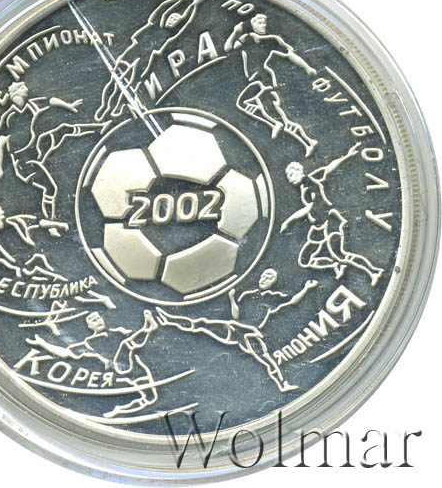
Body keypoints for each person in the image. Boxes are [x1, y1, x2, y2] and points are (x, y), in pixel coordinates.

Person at [280, 145, 384, 286]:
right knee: (305, 261)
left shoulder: (311, 183)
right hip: (318, 227)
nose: (290, 179)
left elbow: (310, 207)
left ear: (300, 171)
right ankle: (335, 266)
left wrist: (288, 221)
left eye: (292, 175)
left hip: (330, 222)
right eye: (288, 177)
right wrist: (346, 156)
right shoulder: (305, 185)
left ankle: (372, 272)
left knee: (340, 255)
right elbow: (328, 168)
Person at [27, 310, 160, 418]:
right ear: (89, 326)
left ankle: (119, 410)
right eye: (93, 320)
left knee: (150, 399)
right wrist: (43, 344)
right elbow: (66, 352)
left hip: (135, 368)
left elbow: (135, 338)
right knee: (126, 344)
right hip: (118, 368)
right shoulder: (89, 343)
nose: (98, 321)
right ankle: (148, 327)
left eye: (98, 318)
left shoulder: (117, 332)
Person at [0, 81, 95, 220]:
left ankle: (99, 128)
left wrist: (69, 106)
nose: (26, 89)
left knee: (64, 129)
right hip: (23, 160)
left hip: (37, 148)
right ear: (15, 93)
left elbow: (51, 101)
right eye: (22, 87)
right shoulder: (9, 117)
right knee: (50, 189)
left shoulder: (32, 105)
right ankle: (50, 221)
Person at [224, 13, 317, 157]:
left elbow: (290, 55)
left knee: (244, 103)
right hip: (255, 79)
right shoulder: (247, 38)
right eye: (259, 23)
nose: (263, 26)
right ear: (253, 24)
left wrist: (307, 67)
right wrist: (235, 32)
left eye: (264, 23)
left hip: (262, 79)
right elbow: (228, 48)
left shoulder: (271, 40)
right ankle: (308, 142)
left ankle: (274, 124)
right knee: (281, 116)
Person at [155, 307, 298, 393]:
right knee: (200, 324)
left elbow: (268, 363)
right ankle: (170, 320)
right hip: (233, 330)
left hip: (234, 332)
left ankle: (170, 320)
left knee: (200, 324)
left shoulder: (254, 342)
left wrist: (283, 383)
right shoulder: (255, 339)